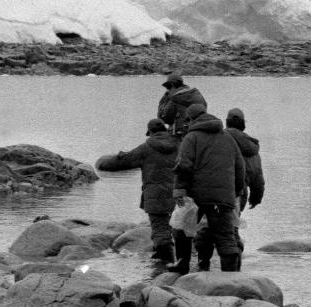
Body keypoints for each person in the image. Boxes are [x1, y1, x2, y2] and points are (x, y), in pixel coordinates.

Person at [96, 118, 180, 265]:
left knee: (160, 228)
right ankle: (174, 259)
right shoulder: (179, 145)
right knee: (175, 226)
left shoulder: (146, 148)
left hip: (155, 194)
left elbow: (123, 162)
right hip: (178, 194)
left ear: (150, 132)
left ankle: (164, 264)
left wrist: (103, 162)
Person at [174, 101, 246, 271]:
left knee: (182, 228)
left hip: (196, 196)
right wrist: (235, 192)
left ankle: (182, 265)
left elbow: (183, 165)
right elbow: (240, 167)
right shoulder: (228, 138)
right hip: (222, 199)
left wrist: (179, 190)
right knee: (226, 238)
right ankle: (232, 276)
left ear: (191, 118)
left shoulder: (191, 138)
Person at [194, 107, 265, 270]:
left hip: (213, 191)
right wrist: (256, 198)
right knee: (230, 229)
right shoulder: (252, 149)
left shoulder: (217, 140)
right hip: (238, 195)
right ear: (243, 125)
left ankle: (203, 266)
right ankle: (234, 270)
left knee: (206, 227)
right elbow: (258, 179)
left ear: (226, 122)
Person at [157, 72, 207, 138]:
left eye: (168, 87)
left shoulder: (175, 98)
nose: (167, 90)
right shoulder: (197, 96)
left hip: (180, 136)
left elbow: (164, 118)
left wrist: (164, 98)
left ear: (172, 85)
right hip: (199, 134)